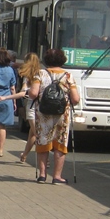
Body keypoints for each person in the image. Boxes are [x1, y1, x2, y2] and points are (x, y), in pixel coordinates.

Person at [27, 48, 80, 185]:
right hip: (62, 115)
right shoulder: (68, 76)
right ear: (62, 60)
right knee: (60, 143)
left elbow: (33, 94)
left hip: (43, 114)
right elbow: (75, 98)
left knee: (43, 142)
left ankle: (42, 175)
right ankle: (57, 177)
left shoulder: (40, 74)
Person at [0, 52, 42, 164]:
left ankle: (43, 159)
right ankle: (25, 155)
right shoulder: (43, 74)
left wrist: (6, 97)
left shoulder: (29, 76)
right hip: (42, 107)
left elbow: (23, 93)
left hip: (32, 107)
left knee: (37, 133)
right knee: (32, 133)